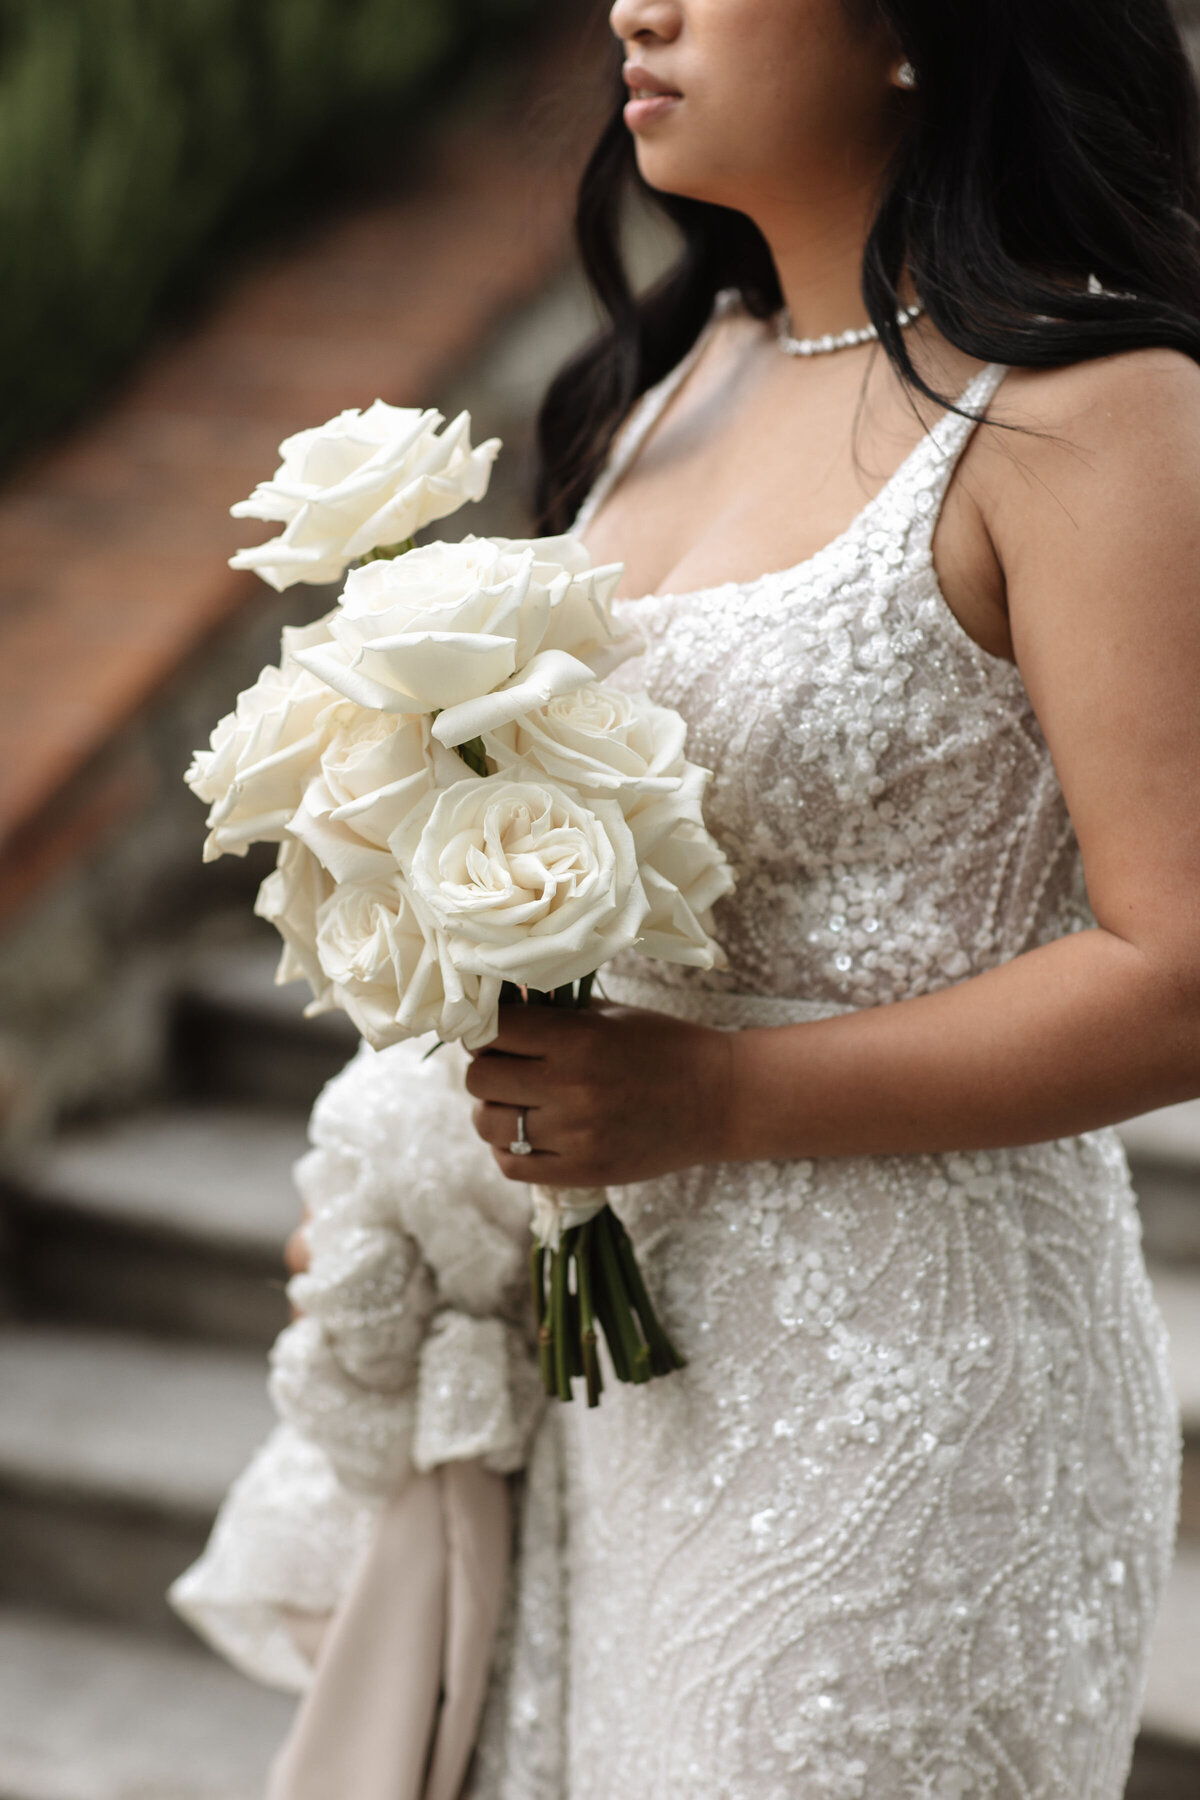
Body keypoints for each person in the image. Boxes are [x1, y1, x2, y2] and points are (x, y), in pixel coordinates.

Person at [276, 0, 1198, 1793]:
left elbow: (1182, 966)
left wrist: (715, 1097)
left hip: (917, 1413)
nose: (639, 7)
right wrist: (417, 1168)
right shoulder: (666, 379)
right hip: (637, 1390)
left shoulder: (1096, 414)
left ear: (921, 29)